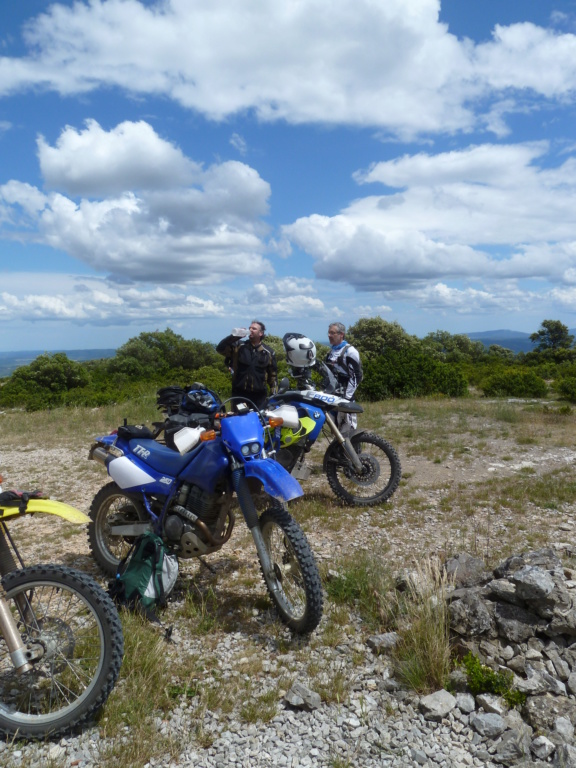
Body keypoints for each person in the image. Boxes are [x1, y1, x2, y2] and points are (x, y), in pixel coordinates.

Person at [216, 320, 277, 409]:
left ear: (261, 333)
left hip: (259, 396)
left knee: (258, 421)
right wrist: (234, 337)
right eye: (250, 328)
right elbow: (220, 349)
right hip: (239, 394)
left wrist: (274, 396)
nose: (250, 330)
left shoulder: (268, 352)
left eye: (254, 328)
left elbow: (273, 376)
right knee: (238, 420)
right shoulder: (239, 347)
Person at [325, 322, 363, 434]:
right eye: (329, 333)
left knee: (348, 430)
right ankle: (337, 452)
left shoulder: (350, 352)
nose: (329, 335)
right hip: (333, 396)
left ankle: (355, 451)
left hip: (346, 397)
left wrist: (347, 398)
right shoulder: (331, 352)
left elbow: (357, 376)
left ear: (341, 334)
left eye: (332, 333)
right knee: (336, 432)